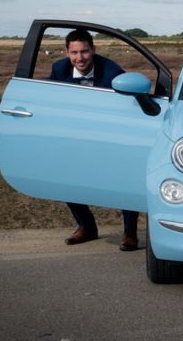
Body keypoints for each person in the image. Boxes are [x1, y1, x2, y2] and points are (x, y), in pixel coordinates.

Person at [49, 29, 139, 251]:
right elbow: (51, 101)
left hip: (109, 135)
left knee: (124, 180)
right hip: (75, 136)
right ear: (67, 53)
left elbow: (128, 106)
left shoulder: (112, 71)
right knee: (66, 178)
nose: (80, 58)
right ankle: (87, 227)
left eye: (84, 52)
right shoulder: (58, 69)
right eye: (74, 52)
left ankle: (130, 233)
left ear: (93, 50)